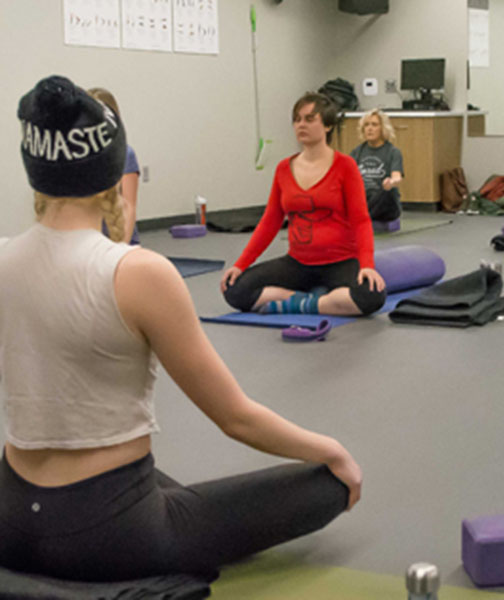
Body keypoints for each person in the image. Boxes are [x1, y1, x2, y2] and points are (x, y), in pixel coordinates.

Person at [0, 75, 361, 583]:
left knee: (169, 491)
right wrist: (331, 450)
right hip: (109, 534)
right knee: (331, 483)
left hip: (11, 520)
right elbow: (236, 418)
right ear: (112, 169)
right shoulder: (139, 272)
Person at [221, 92, 386, 315]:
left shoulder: (345, 166)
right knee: (235, 290)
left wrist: (367, 265)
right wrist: (240, 264)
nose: (301, 125)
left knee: (371, 296)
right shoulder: (283, 169)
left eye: (310, 119)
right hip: (298, 263)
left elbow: (361, 220)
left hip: (340, 262)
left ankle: (304, 304)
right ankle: (315, 301)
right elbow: (270, 222)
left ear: (327, 126)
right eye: (297, 119)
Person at [88, 87, 141, 244]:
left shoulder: (125, 154)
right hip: (90, 239)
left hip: (118, 237)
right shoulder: (81, 156)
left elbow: (129, 206)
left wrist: (122, 248)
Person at [349, 108, 403, 222]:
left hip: (384, 202)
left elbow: (397, 177)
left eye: (374, 125)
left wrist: (391, 182)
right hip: (364, 200)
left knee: (388, 192)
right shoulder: (357, 152)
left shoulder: (393, 152)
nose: (369, 128)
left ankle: (360, 218)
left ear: (382, 129)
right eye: (367, 125)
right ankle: (363, 216)